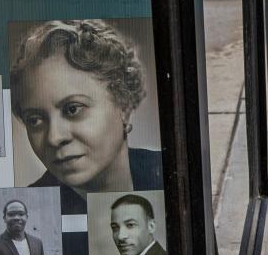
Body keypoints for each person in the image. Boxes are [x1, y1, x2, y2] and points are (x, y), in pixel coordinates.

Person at [10, 20, 163, 214]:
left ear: (123, 104)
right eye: (35, 120)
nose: (54, 137)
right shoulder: (30, 210)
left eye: (72, 109)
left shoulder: (165, 171)